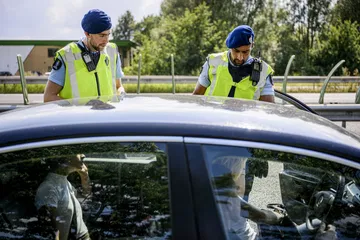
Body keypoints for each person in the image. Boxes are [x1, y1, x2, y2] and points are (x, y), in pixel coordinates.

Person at [44, 9, 125, 103]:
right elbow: (49, 97)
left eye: (108, 35)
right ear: (87, 33)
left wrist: (121, 93)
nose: (106, 40)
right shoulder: (66, 56)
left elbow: (118, 86)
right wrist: (77, 110)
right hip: (79, 117)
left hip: (108, 116)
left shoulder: (112, 51)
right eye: (102, 36)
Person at [193, 25, 275, 103]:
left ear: (252, 46)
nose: (240, 57)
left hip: (243, 118)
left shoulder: (264, 72)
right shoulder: (213, 62)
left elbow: (268, 109)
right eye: (236, 51)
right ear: (230, 47)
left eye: (245, 52)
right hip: (212, 117)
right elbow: (196, 97)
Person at [211, 156, 282, 240]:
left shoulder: (213, 189)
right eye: (243, 171)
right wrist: (278, 216)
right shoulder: (229, 200)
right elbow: (256, 217)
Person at [35, 154, 91, 240]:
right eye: (77, 152)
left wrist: (85, 177)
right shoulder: (49, 187)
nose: (83, 155)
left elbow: (86, 198)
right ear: (66, 158)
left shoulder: (64, 181)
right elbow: (51, 230)